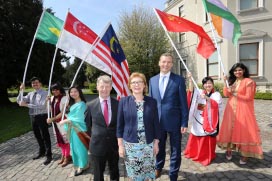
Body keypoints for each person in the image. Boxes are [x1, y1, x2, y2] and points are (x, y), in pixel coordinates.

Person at [149, 53, 188, 181]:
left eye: (169, 62)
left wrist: (184, 122)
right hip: (157, 122)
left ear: (172, 64)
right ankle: (158, 167)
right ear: (159, 63)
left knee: (175, 150)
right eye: (163, 62)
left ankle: (173, 174)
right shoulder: (152, 80)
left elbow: (183, 103)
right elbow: (150, 102)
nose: (166, 64)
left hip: (174, 122)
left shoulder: (179, 80)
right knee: (158, 148)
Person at [217, 63, 263, 164]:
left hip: (243, 109)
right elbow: (226, 94)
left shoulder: (249, 82)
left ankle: (244, 154)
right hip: (230, 109)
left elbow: (249, 97)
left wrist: (234, 92)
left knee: (243, 130)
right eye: (235, 70)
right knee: (229, 129)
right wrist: (225, 83)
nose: (237, 72)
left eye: (239, 70)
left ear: (244, 70)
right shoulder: (232, 81)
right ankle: (229, 150)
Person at [117, 72, 161, 180]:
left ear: (144, 85)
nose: (137, 85)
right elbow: (119, 125)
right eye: (134, 83)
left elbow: (156, 124)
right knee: (135, 175)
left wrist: (156, 143)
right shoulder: (123, 102)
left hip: (148, 145)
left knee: (147, 174)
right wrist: (120, 146)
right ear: (130, 86)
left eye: (140, 82)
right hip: (131, 146)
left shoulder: (152, 102)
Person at [85, 75, 119, 181]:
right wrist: (96, 137)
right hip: (97, 146)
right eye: (102, 86)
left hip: (114, 145)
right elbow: (87, 126)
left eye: (107, 86)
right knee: (98, 174)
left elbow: (120, 124)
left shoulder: (118, 104)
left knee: (114, 171)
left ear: (111, 87)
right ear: (97, 87)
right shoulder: (90, 105)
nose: (104, 89)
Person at [183, 74, 223, 166]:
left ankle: (205, 156)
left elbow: (215, 105)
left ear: (213, 84)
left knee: (207, 136)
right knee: (196, 133)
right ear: (203, 85)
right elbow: (191, 91)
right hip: (198, 117)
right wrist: (190, 80)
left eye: (209, 83)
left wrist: (206, 97)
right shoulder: (199, 91)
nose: (207, 85)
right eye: (205, 83)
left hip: (209, 120)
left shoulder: (216, 94)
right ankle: (194, 153)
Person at [17, 77, 52, 165]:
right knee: (37, 135)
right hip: (33, 117)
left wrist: (27, 105)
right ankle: (42, 151)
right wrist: (21, 91)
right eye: (33, 83)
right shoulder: (30, 94)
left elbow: (42, 106)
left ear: (40, 83)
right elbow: (19, 101)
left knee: (45, 135)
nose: (34, 84)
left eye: (36, 82)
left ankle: (49, 155)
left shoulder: (45, 93)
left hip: (42, 116)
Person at [59, 86, 89, 176]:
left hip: (78, 129)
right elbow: (70, 114)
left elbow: (79, 118)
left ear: (79, 92)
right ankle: (78, 164)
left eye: (75, 91)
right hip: (72, 129)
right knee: (74, 148)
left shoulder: (82, 104)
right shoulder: (72, 103)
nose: (73, 93)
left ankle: (83, 166)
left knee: (80, 148)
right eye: (71, 92)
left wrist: (66, 120)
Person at [46, 83, 71, 167]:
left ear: (60, 89)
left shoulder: (64, 98)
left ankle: (67, 157)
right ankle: (63, 155)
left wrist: (52, 119)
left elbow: (62, 112)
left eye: (56, 89)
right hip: (55, 123)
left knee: (65, 140)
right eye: (53, 90)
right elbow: (49, 110)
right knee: (59, 139)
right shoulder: (52, 98)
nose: (55, 91)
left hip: (62, 121)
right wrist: (48, 102)